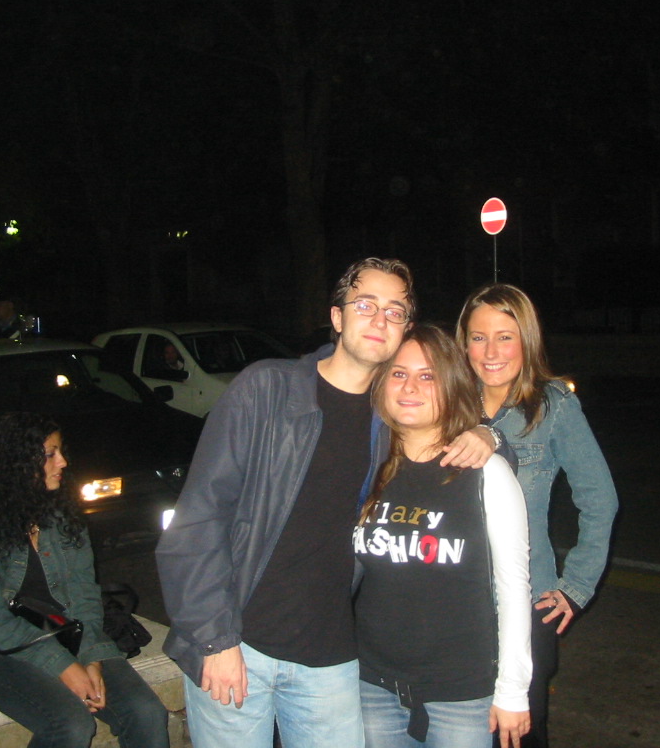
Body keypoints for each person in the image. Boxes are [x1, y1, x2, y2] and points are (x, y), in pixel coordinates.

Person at [156, 257, 498, 748]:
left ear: (406, 329)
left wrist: (489, 434)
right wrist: (213, 639)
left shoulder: (391, 420)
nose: (380, 319)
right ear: (337, 317)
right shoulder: (266, 389)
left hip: (331, 661)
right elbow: (197, 520)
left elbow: (454, 424)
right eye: (365, 305)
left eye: (395, 311)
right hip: (237, 643)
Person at [457, 284, 618, 748]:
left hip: (527, 603)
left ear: (527, 340)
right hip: (454, 606)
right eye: (478, 337)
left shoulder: (553, 406)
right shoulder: (446, 402)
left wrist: (576, 587)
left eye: (505, 337)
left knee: (517, 735)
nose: (491, 352)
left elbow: (600, 499)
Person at [355, 325, 532, 748]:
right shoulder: (366, 469)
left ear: (451, 386)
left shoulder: (486, 473)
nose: (410, 387)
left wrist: (513, 690)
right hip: (371, 684)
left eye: (428, 376)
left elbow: (513, 587)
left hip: (461, 693)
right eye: (399, 374)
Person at [0, 412, 168, 748]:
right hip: (0, 647)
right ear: (18, 462)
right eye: (50, 454)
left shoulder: (64, 519)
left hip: (68, 632)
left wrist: (92, 657)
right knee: (70, 725)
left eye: (61, 451)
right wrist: (65, 667)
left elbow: (85, 596)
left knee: (146, 713)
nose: (63, 462)